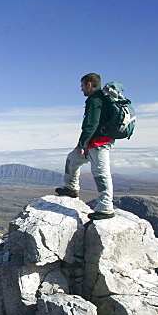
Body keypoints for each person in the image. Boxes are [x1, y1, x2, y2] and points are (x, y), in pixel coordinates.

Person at [55, 72, 115, 220]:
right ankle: (71, 189)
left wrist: (81, 144)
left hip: (99, 143)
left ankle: (106, 208)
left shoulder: (95, 100)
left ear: (89, 84)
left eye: (82, 86)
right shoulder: (100, 98)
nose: (81, 89)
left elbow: (91, 124)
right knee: (72, 159)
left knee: (101, 174)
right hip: (94, 142)